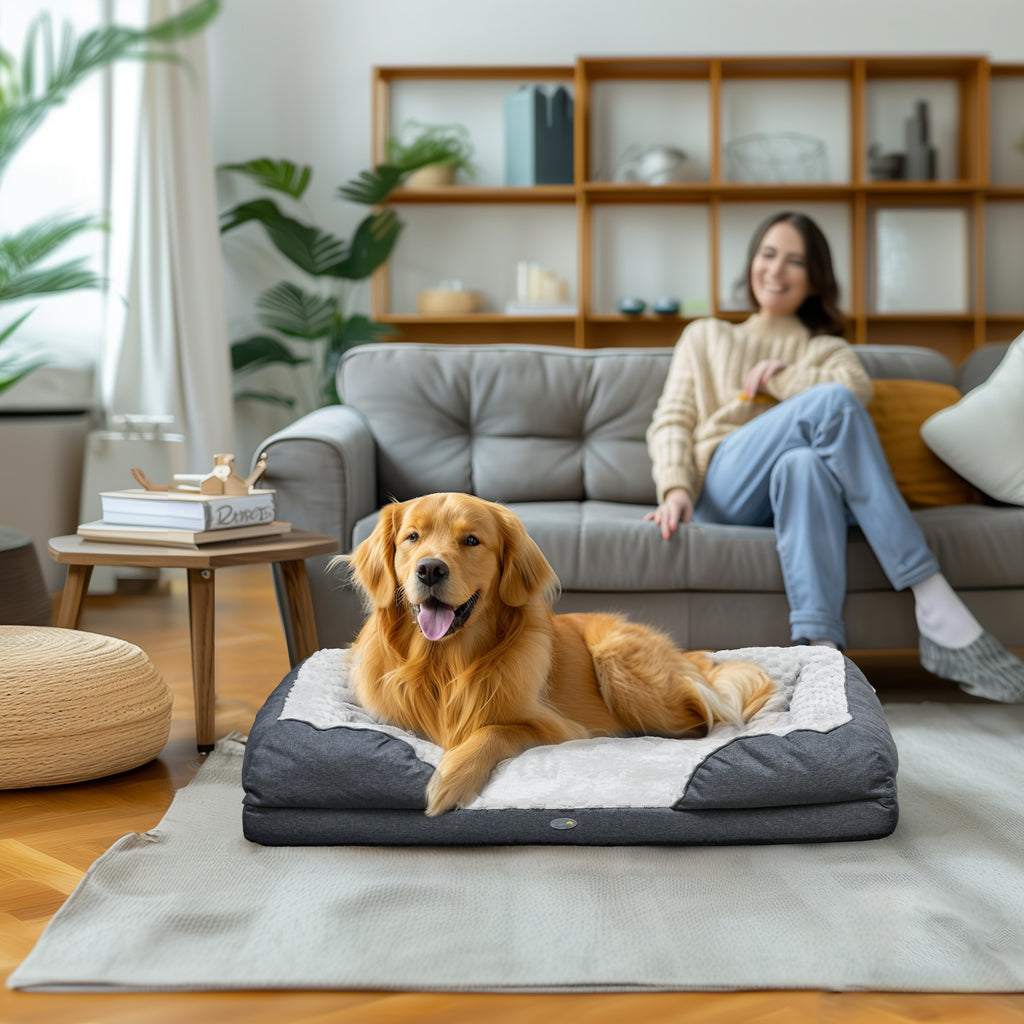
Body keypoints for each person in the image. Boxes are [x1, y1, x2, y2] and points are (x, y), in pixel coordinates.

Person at [644, 210, 1024, 703]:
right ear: (752, 263)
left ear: (814, 278)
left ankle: (820, 656)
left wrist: (779, 378)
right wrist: (674, 487)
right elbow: (672, 418)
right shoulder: (709, 336)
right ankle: (931, 596)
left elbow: (855, 388)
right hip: (726, 483)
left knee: (802, 465)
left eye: (795, 261)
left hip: (790, 496)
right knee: (829, 404)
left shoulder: (826, 349)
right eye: (768, 254)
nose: (777, 271)